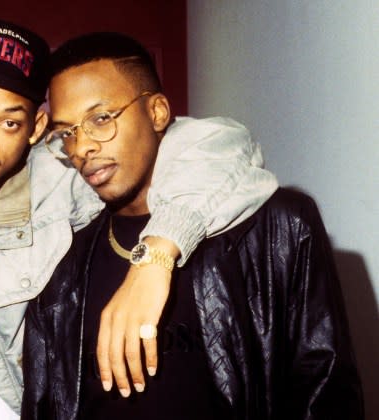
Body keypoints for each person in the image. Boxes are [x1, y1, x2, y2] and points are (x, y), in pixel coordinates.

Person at [0, 20, 276, 419]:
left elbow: (222, 145)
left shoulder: (62, 172)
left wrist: (155, 258)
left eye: (9, 122)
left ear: (36, 129)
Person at [22, 32, 364, 419]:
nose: (81, 147)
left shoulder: (278, 226)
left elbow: (326, 391)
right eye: (67, 132)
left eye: (101, 119)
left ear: (157, 113)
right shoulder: (62, 259)